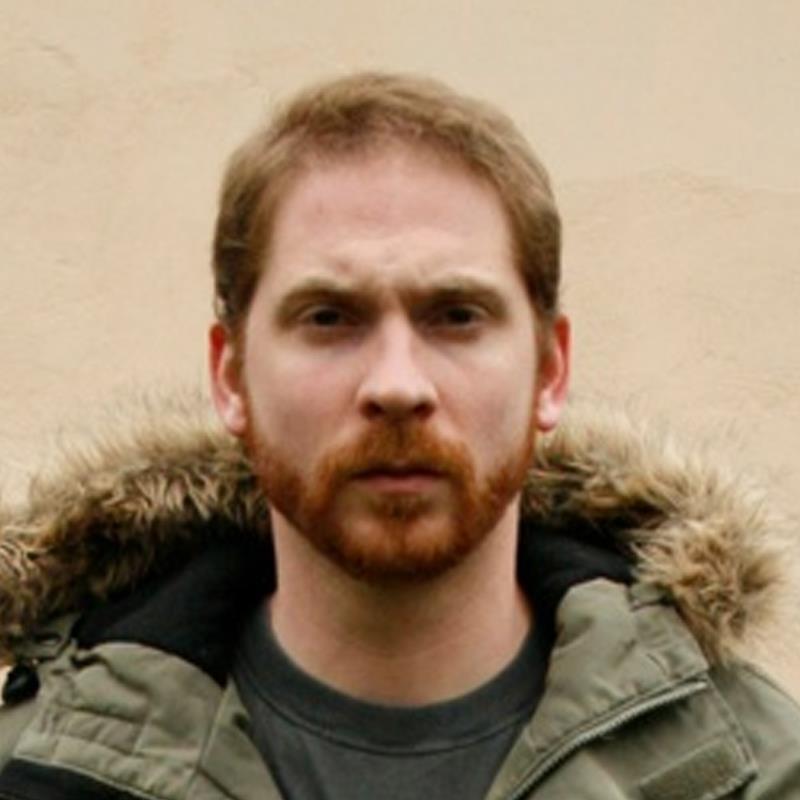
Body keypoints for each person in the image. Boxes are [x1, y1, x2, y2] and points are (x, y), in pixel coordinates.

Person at [0, 72, 798, 799]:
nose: (396, 385)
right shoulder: (38, 775)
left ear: (550, 370)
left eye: (456, 316)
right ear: (231, 375)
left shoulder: (756, 774)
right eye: (329, 318)